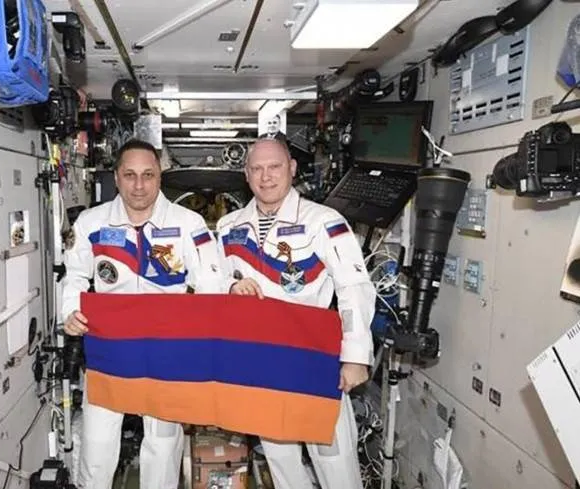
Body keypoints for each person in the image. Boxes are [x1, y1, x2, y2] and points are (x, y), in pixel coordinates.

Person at [61, 139, 223, 489]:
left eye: (148, 175)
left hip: (167, 351)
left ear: (159, 176)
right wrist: (71, 310)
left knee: (162, 447)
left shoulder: (188, 223)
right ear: (116, 177)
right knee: (97, 444)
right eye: (130, 175)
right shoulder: (91, 222)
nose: (139, 185)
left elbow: (211, 285)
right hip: (110, 349)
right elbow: (74, 276)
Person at [215, 134, 375, 489]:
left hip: (313, 358)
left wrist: (355, 356)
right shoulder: (228, 228)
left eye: (274, 167)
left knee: (334, 462)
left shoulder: (324, 222)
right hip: (261, 363)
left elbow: (354, 288)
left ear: (291, 168)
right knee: (280, 460)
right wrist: (229, 287)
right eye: (257, 168)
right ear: (246, 174)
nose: (266, 176)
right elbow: (211, 281)